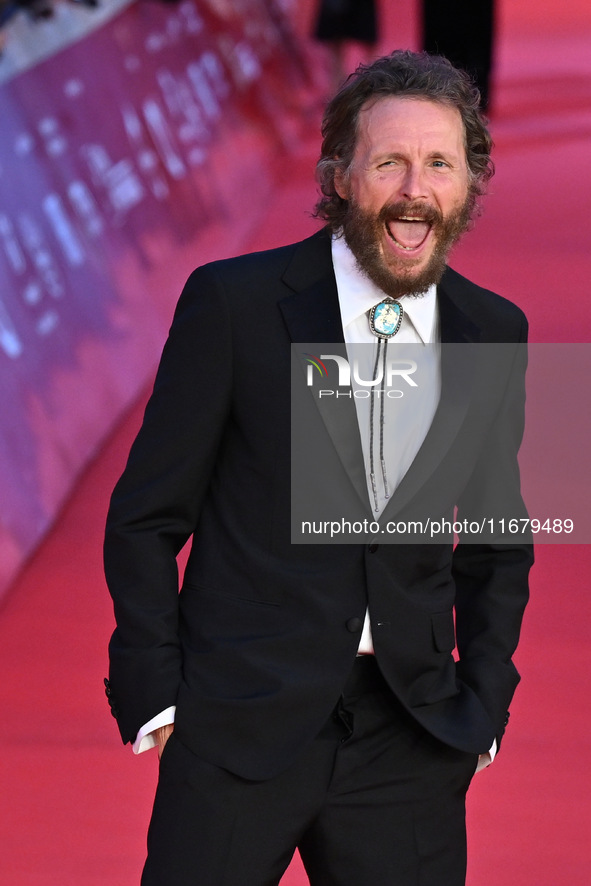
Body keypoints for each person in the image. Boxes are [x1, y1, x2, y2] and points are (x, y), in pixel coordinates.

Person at [104, 49, 533, 885]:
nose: (415, 188)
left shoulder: (496, 327)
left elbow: (499, 541)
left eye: (440, 163)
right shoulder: (231, 302)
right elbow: (147, 515)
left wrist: (482, 705)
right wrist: (155, 686)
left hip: (410, 738)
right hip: (237, 723)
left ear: (469, 182)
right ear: (338, 175)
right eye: (389, 162)